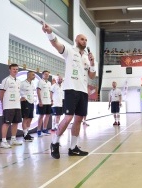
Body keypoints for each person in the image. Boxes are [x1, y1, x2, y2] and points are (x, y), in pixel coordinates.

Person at [42, 23, 96, 159]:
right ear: (77, 40)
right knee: (68, 118)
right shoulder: (69, 51)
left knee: (78, 119)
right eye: (82, 39)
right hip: (71, 89)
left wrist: (93, 63)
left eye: (86, 40)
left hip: (83, 91)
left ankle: (73, 147)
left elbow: (92, 76)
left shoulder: (86, 58)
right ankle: (55, 143)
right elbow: (56, 44)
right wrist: (50, 33)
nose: (85, 41)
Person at [0, 64, 23, 148]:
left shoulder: (19, 81)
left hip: (17, 106)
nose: (15, 70)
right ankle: (3, 141)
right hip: (8, 106)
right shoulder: (6, 80)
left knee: (15, 123)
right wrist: (3, 103)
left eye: (17, 69)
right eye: (14, 69)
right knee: (6, 123)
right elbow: (1, 93)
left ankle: (13, 139)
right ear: (10, 70)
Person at [20, 71, 36, 141]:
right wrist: (22, 97)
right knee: (25, 118)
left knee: (30, 118)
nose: (34, 76)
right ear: (28, 75)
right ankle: (25, 134)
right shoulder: (22, 83)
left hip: (31, 102)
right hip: (25, 102)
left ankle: (26, 132)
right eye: (33, 75)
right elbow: (18, 91)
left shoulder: (32, 83)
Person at [36, 70, 52, 137]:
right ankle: (39, 130)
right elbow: (38, 91)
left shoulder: (49, 83)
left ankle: (44, 129)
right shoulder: (40, 82)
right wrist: (40, 101)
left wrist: (51, 100)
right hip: (42, 102)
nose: (47, 75)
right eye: (45, 74)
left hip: (48, 102)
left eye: (48, 74)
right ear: (42, 75)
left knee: (48, 115)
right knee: (41, 116)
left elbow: (50, 92)